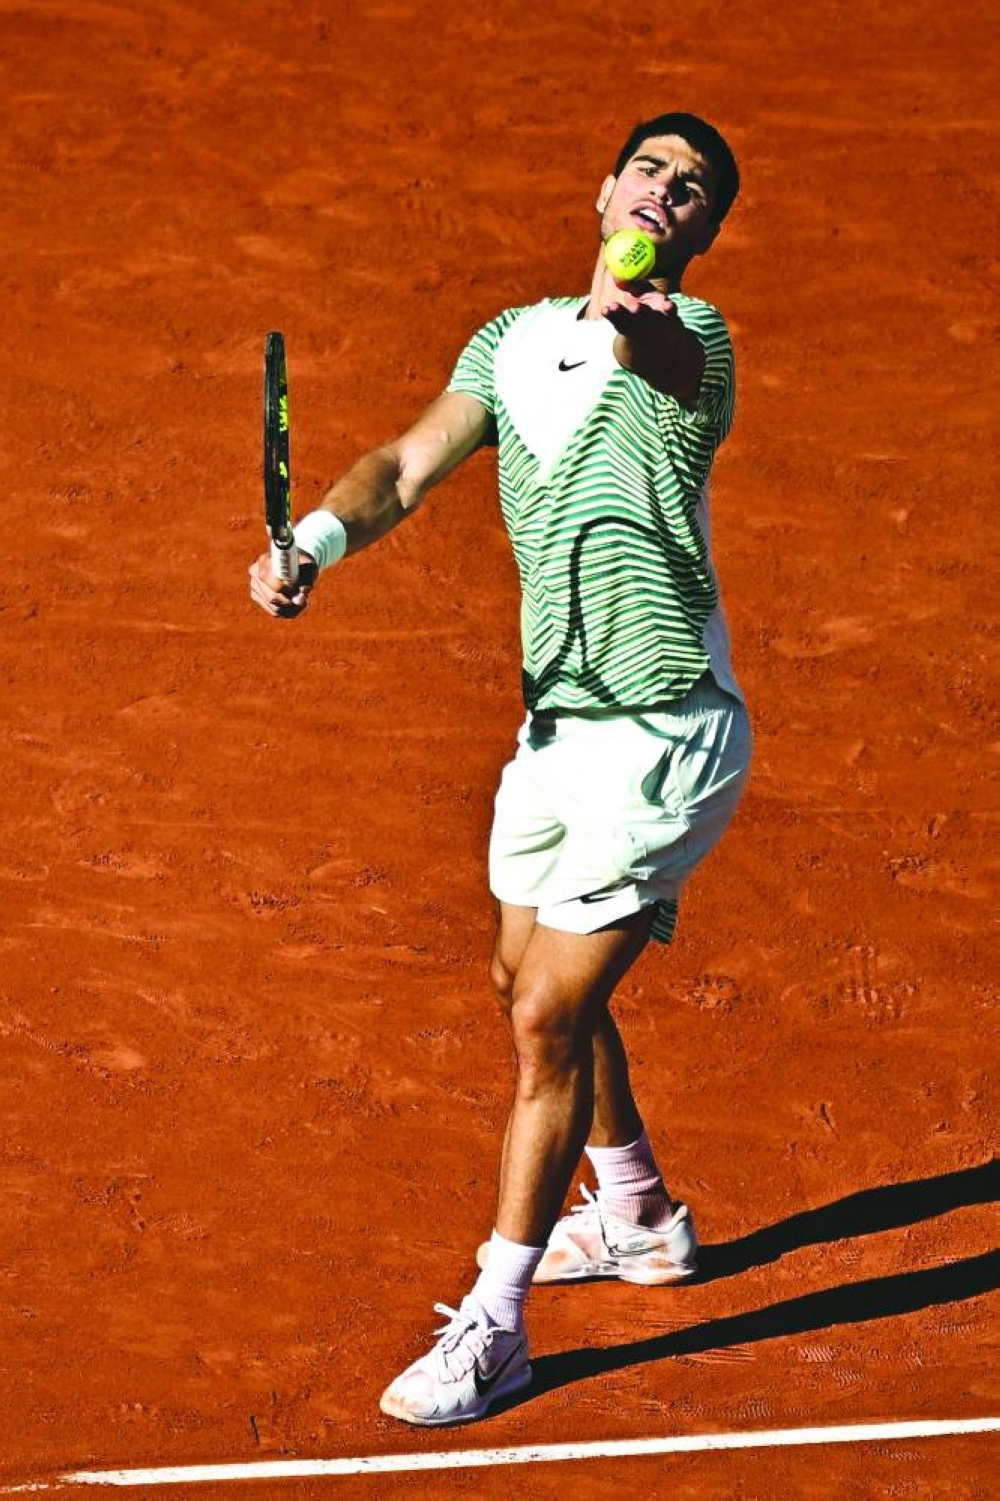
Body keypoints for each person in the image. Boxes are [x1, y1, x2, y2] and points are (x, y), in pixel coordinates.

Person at [249, 111, 751, 1427]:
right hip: (555, 730)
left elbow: (650, 356)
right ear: (605, 186)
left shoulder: (695, 345)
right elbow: (406, 465)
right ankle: (637, 1210)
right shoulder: (512, 343)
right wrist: (312, 540)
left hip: (663, 737)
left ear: (703, 230)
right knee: (519, 979)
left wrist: (641, 314)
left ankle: (498, 1320)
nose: (667, 191)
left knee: (543, 1021)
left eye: (694, 191)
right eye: (651, 167)